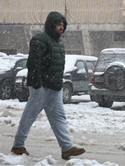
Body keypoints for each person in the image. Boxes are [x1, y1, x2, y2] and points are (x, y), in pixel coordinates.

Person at [11, 11, 85, 160]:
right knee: (30, 116)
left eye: (63, 24)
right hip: (42, 86)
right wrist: (37, 85)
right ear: (51, 25)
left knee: (59, 118)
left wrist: (58, 83)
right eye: (58, 24)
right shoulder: (39, 40)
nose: (61, 27)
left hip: (55, 87)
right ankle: (18, 145)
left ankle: (67, 148)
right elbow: (34, 63)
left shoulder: (59, 43)